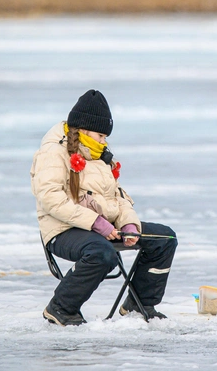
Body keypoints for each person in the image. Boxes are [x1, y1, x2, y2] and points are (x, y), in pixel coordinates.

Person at [30, 89, 177, 326]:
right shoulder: (53, 152)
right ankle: (61, 308)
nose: (104, 141)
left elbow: (117, 197)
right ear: (84, 129)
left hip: (104, 227)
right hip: (63, 230)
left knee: (164, 237)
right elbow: (51, 199)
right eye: (100, 135)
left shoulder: (100, 156)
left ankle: (139, 305)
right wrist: (96, 223)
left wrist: (129, 223)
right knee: (101, 253)